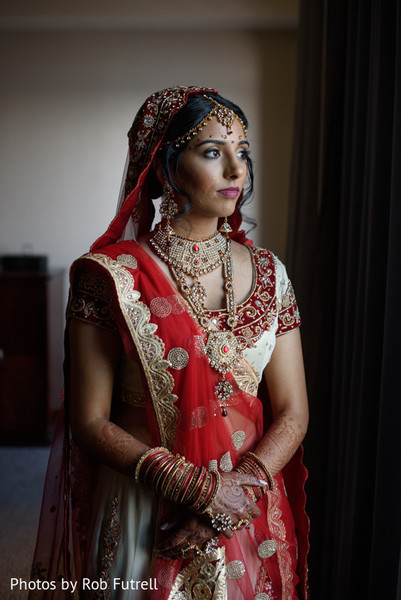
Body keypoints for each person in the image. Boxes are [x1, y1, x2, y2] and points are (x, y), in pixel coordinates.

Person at [30, 86, 309, 600]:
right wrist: (199, 490)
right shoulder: (110, 276)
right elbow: (88, 421)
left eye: (242, 151)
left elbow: (293, 411)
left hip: (247, 509)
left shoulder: (272, 274)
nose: (236, 169)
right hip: (147, 507)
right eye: (212, 152)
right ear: (163, 168)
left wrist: (232, 496)